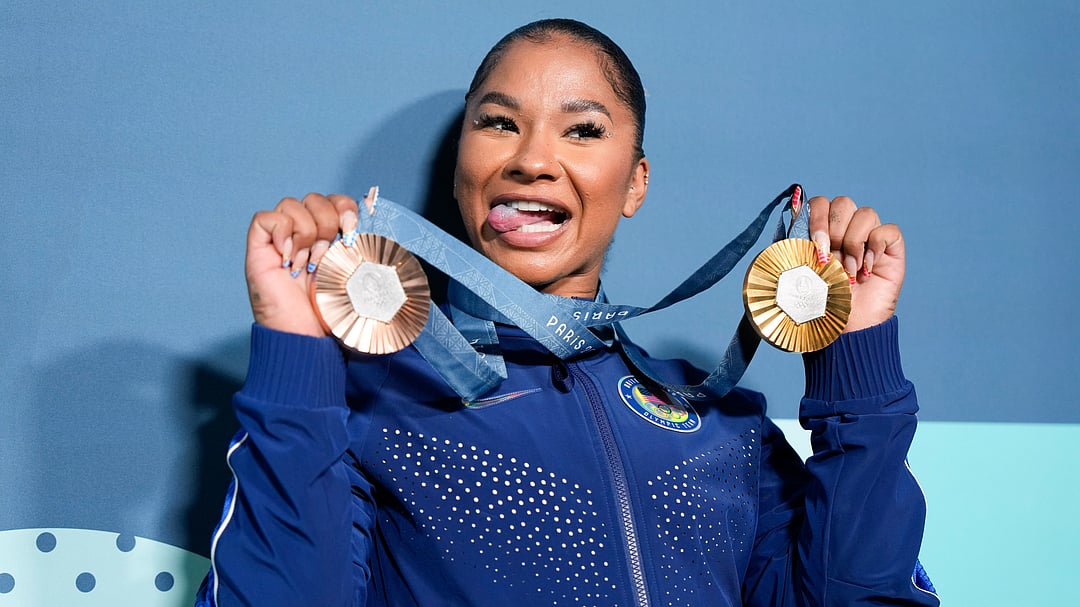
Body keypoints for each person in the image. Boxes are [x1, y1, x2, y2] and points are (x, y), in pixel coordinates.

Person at [196, 18, 939, 607]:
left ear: (636, 182)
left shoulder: (727, 430)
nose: (531, 159)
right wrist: (298, 356)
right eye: (497, 123)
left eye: (582, 129)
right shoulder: (370, 399)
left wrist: (855, 358)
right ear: (461, 167)